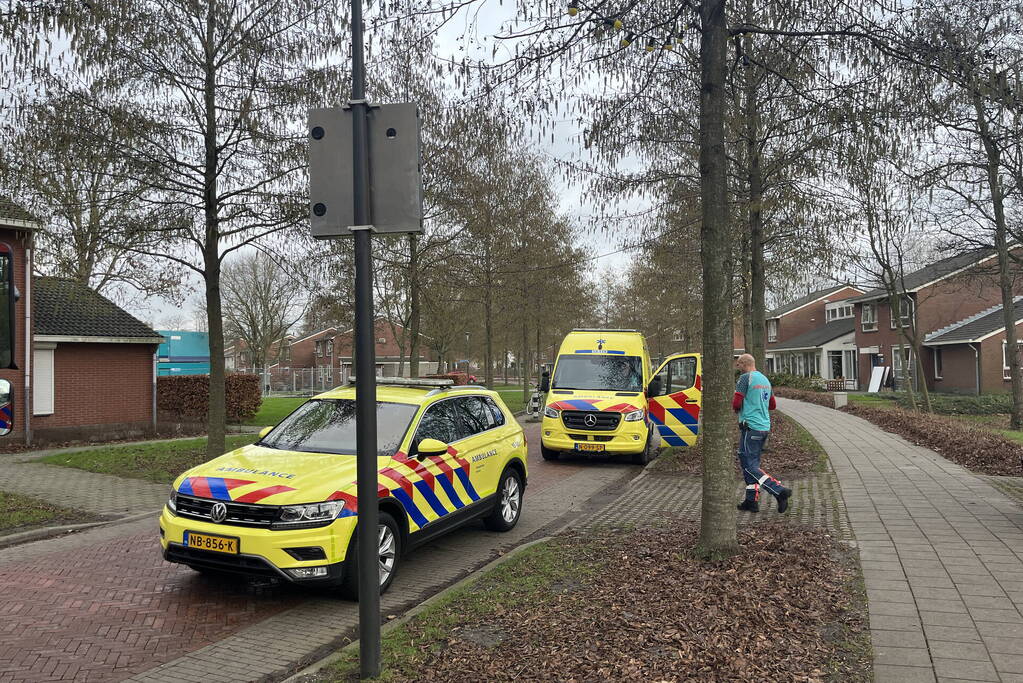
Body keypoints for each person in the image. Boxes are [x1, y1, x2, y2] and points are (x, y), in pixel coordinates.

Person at [733, 353, 792, 513]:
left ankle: (779, 491)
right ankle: (751, 501)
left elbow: (736, 402)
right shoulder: (765, 380)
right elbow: (772, 404)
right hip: (764, 426)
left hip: (750, 426)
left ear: (744, 364)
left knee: (749, 466)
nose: (737, 368)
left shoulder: (745, 378)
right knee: (751, 465)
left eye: (738, 365)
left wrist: (738, 409)